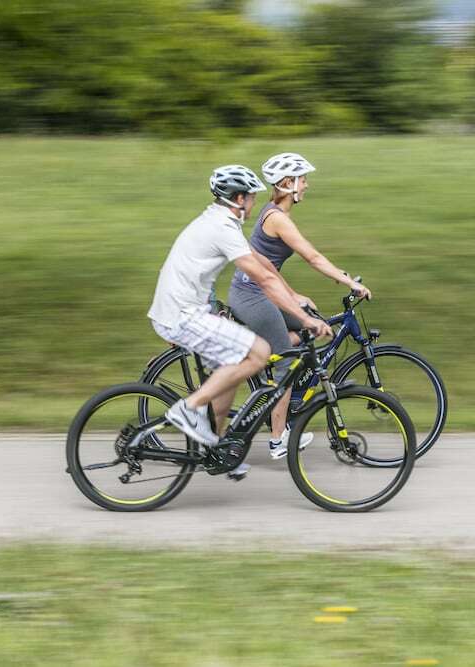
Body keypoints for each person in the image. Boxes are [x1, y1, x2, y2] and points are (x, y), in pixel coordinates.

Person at [148, 164, 332, 479]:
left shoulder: (220, 221)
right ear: (238, 198)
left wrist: (293, 296)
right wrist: (304, 318)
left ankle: (218, 450)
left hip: (184, 309)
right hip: (183, 313)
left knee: (231, 366)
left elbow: (262, 263)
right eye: (251, 196)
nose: (254, 202)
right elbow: (263, 278)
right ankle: (189, 409)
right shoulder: (222, 226)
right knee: (258, 351)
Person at [228, 153, 372, 460]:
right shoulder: (277, 218)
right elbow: (313, 257)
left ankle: (274, 371)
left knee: (314, 327)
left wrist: (293, 295)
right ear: (287, 183)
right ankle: (278, 439)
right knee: (287, 361)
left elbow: (266, 264)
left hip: (260, 291)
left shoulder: (272, 213)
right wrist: (349, 282)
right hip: (253, 297)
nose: (306, 185)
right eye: (302, 179)